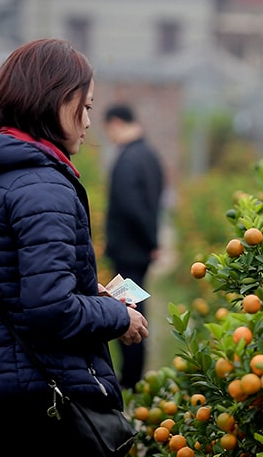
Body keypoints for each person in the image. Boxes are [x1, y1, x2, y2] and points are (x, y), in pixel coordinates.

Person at [0, 39, 148, 457]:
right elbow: (50, 309)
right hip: (42, 407)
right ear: (56, 101)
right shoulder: (42, 184)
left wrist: (87, 292)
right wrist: (117, 316)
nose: (87, 123)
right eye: (85, 107)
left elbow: (7, 282)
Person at [103, 103, 164, 390]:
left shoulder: (128, 159)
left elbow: (132, 206)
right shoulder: (150, 155)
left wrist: (149, 240)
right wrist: (153, 241)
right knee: (136, 305)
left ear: (116, 123)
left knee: (129, 310)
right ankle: (133, 376)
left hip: (129, 249)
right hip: (141, 248)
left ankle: (130, 379)